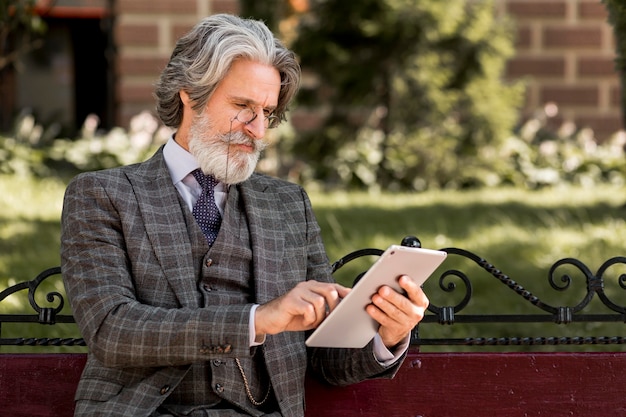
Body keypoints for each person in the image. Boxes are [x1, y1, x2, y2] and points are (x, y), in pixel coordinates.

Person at [60, 13, 429, 417]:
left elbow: (326, 358)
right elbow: (111, 331)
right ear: (189, 93)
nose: (258, 130)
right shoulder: (102, 194)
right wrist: (259, 319)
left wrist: (388, 333)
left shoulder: (288, 204)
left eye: (267, 112)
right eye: (242, 106)